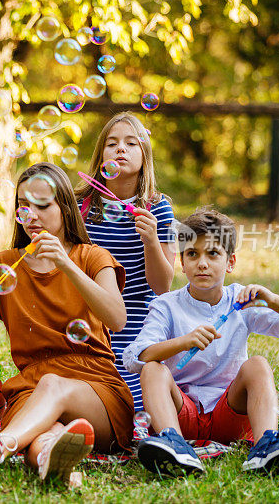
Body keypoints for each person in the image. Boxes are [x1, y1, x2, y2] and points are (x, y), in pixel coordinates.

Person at [0, 162, 134, 484]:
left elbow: (117, 318)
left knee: (52, 384)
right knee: (44, 437)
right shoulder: (3, 266)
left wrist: (66, 264)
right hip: (30, 390)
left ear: (65, 207)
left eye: (42, 205)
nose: (31, 215)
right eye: (23, 206)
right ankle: (56, 463)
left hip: (96, 390)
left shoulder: (92, 258)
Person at [122, 207, 279, 477]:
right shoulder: (166, 305)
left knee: (257, 364)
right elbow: (135, 356)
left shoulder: (241, 302)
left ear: (230, 262)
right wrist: (183, 342)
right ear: (182, 262)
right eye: (192, 254)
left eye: (213, 253)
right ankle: (174, 443)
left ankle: (266, 446)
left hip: (230, 414)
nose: (202, 263)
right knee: (152, 368)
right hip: (182, 415)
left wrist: (273, 300)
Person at [74, 112, 176, 412]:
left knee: (130, 401)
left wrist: (151, 241)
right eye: (112, 143)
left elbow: (162, 286)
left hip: (139, 326)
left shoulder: (158, 208)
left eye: (132, 143)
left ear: (144, 156)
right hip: (88, 323)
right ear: (100, 155)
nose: (121, 149)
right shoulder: (81, 207)